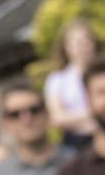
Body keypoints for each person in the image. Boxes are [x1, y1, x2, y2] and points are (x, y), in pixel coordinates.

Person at [43, 19, 101, 149]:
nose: (83, 47)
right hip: (75, 143)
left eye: (87, 41)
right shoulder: (57, 79)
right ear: (67, 48)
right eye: (77, 43)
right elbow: (57, 117)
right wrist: (94, 115)